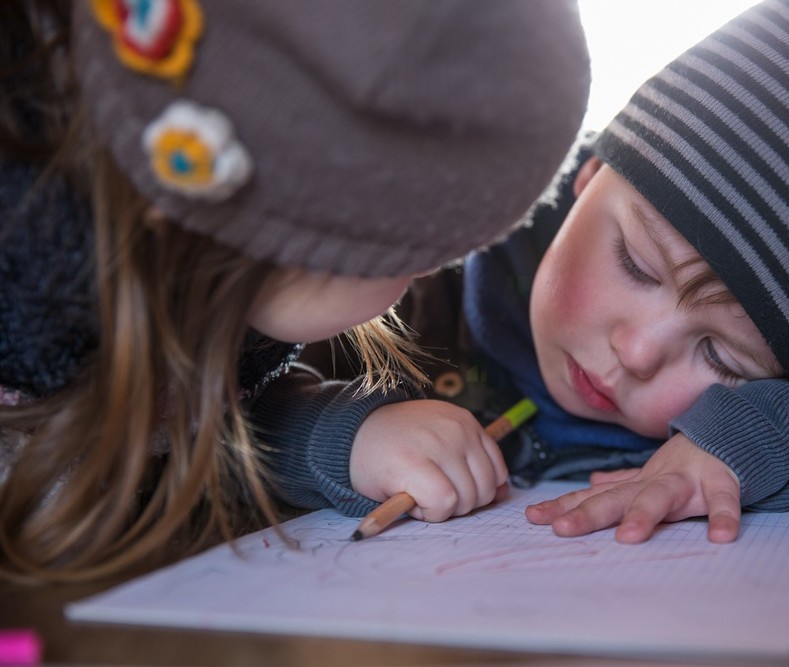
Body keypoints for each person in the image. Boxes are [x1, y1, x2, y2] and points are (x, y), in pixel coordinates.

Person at [291, 0, 789, 544]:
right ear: (590, 172)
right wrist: (341, 436)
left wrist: (778, 435)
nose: (636, 351)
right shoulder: (406, 280)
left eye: (723, 354)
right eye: (635, 263)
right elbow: (202, 404)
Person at [0, 0, 590, 581]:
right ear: (301, 235)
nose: (425, 283)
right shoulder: (27, 298)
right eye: (420, 260)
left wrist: (345, 439)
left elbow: (214, 421)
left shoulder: (217, 286)